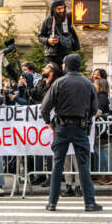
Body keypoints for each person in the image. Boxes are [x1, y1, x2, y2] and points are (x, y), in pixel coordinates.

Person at [42, 54, 102, 212]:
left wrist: (49, 123)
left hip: (61, 127)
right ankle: (89, 203)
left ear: (65, 66)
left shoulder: (58, 83)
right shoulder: (87, 84)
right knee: (83, 165)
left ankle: (51, 203)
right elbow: (94, 108)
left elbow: (44, 107)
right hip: (80, 127)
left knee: (57, 165)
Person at [29, 62, 61, 187]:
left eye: (47, 67)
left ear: (52, 71)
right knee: (40, 146)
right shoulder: (41, 83)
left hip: (52, 120)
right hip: (41, 120)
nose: (43, 68)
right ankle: (40, 174)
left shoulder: (56, 83)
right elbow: (35, 96)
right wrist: (26, 88)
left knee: (50, 149)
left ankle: (51, 176)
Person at [38, 0, 80, 67]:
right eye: (59, 9)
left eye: (63, 8)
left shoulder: (68, 18)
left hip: (66, 53)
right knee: (51, 74)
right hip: (52, 55)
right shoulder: (48, 20)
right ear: (53, 9)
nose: (61, 11)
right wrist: (48, 40)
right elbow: (40, 36)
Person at [94, 79, 112, 186]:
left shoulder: (102, 96)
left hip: (101, 128)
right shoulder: (103, 96)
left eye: (96, 85)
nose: (94, 86)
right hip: (101, 128)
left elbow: (98, 112)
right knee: (98, 150)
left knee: (100, 150)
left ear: (100, 86)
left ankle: (108, 175)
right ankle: (101, 173)